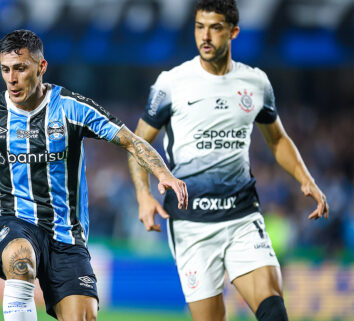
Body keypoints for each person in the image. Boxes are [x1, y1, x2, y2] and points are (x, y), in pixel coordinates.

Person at [0, 29, 188, 321]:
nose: (12, 79)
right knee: (20, 259)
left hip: (66, 234)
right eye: (5, 69)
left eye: (20, 68)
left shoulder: (70, 108)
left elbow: (130, 140)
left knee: (83, 317)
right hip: (12, 219)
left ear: (41, 67)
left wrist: (163, 173)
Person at [127, 1, 329, 321]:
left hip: (241, 217)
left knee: (274, 310)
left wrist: (306, 179)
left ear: (233, 32)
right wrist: (142, 194)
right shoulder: (172, 83)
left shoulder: (255, 83)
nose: (205, 36)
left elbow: (277, 138)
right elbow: (137, 143)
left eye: (215, 28)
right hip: (192, 224)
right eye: (199, 27)